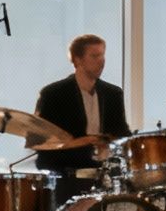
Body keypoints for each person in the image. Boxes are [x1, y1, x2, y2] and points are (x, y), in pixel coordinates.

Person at [34, 34, 130, 173]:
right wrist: (81, 142)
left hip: (103, 170)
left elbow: (121, 133)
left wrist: (108, 141)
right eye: (94, 56)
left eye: (102, 55)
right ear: (77, 60)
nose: (101, 61)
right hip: (66, 170)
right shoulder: (53, 94)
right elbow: (41, 141)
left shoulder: (113, 93)